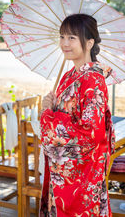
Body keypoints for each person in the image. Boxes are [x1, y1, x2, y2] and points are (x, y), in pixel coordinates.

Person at [40, 14, 115, 217]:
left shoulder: (93, 80)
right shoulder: (68, 76)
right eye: (62, 36)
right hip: (64, 169)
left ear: (89, 43)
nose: (65, 43)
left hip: (82, 171)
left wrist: (47, 116)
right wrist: (51, 105)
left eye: (72, 38)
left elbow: (91, 132)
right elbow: (66, 115)